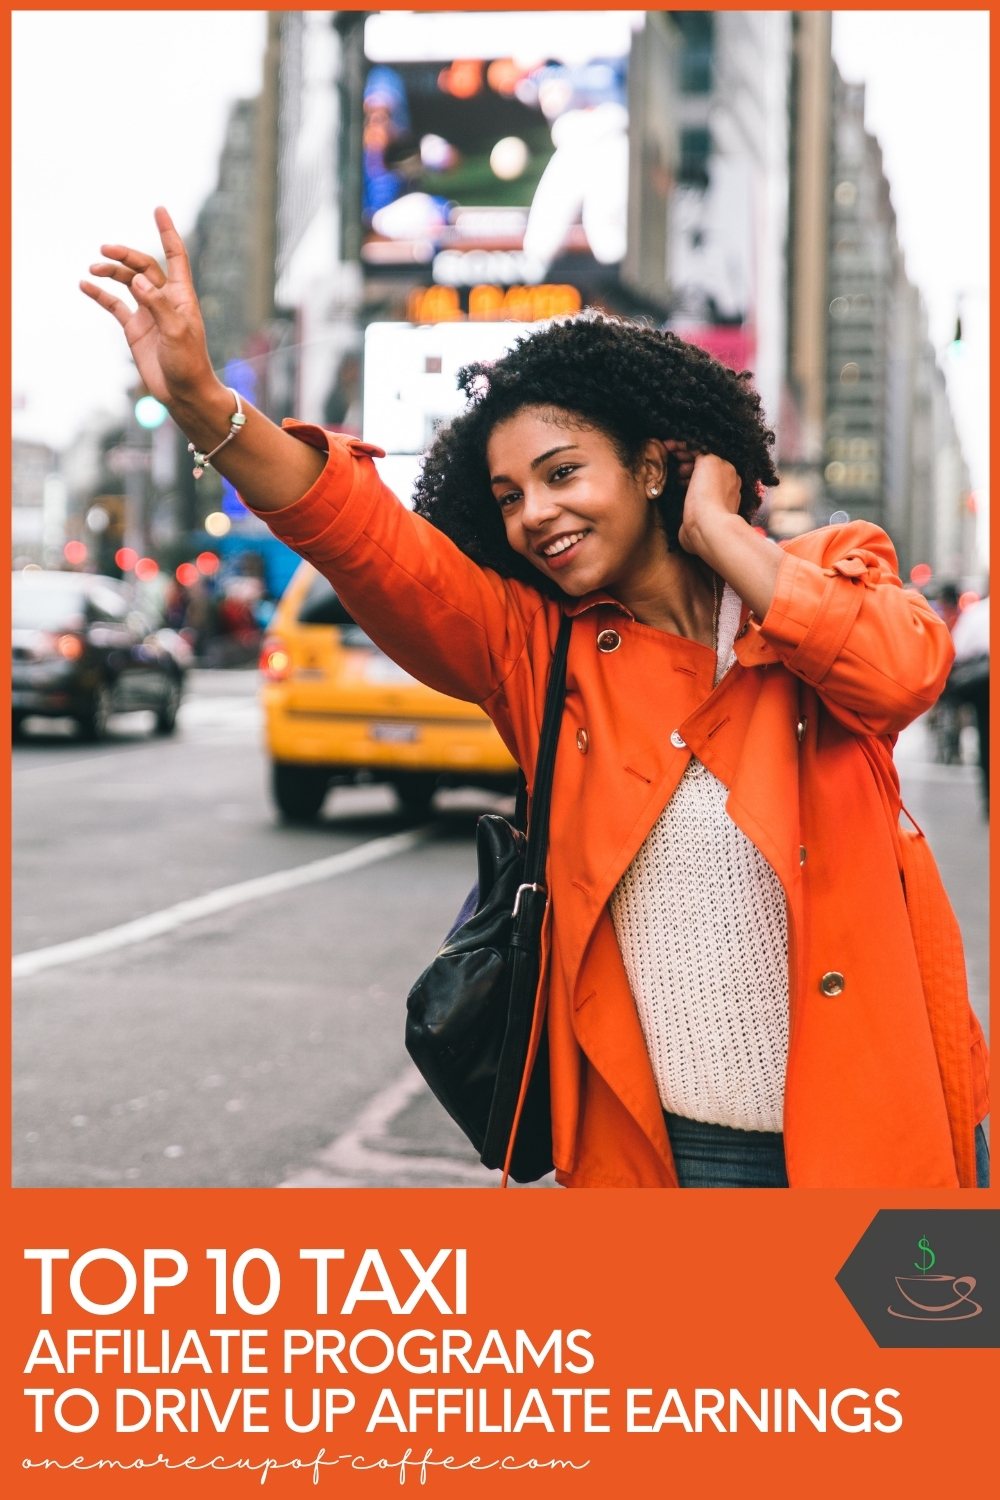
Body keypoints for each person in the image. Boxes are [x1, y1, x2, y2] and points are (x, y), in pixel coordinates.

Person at [81, 208, 989, 1190]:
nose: (535, 514)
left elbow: (903, 674)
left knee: (908, 1347)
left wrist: (723, 536)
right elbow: (363, 536)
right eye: (510, 496)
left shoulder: (826, 575)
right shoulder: (539, 653)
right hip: (662, 1163)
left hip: (883, 1136)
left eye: (562, 474)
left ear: (653, 465)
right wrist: (203, 401)